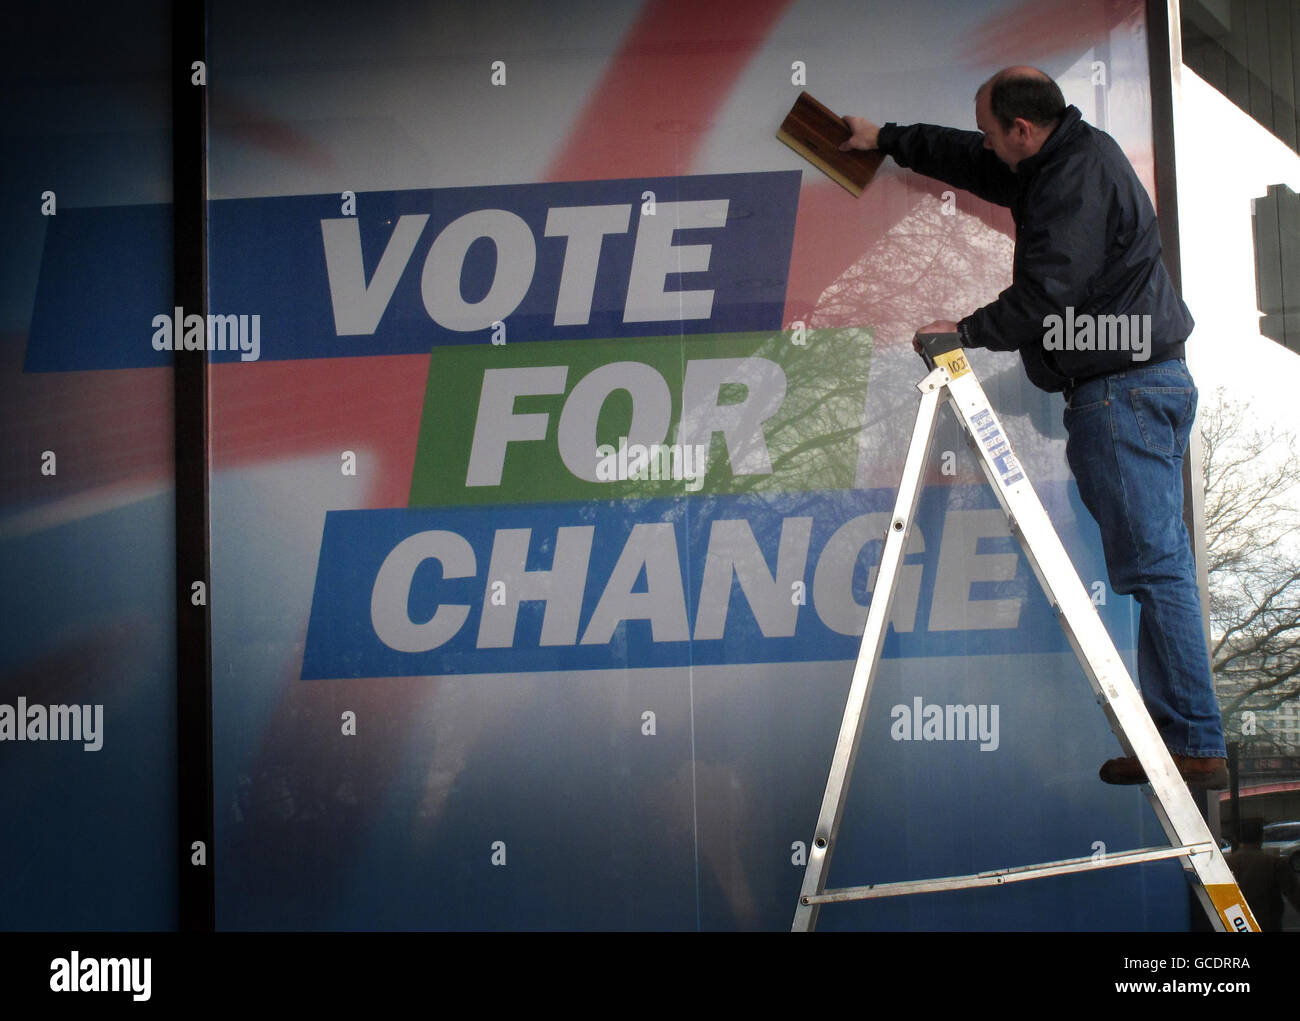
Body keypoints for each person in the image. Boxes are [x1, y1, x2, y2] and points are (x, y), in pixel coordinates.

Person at [839, 66, 1227, 787]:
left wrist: (965, 329)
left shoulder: (1073, 179)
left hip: (1122, 392)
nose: (987, 144)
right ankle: (1183, 734)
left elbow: (1051, 292)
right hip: (1136, 385)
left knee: (1155, 570)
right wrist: (886, 139)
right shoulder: (1059, 157)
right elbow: (970, 159)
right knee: (1156, 568)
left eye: (994, 131)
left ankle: (1194, 740)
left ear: (1022, 130)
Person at [1226, 819, 1300, 930]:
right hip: (1268, 923)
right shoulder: (1275, 863)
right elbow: (1294, 894)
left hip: (1237, 924)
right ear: (1262, 837)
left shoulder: (1227, 864)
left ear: (1236, 839)